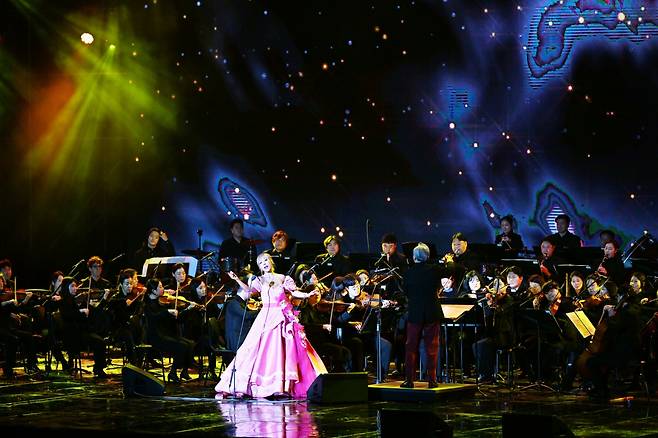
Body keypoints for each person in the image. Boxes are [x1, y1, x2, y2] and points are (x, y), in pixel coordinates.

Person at [215, 253, 327, 399]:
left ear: (271, 261)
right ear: (259, 266)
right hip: (266, 317)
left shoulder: (282, 278)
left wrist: (307, 295)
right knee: (260, 350)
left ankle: (282, 385)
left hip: (281, 315)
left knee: (282, 350)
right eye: (260, 262)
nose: (264, 263)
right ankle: (259, 384)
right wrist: (237, 279)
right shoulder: (259, 280)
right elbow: (249, 291)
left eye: (266, 260)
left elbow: (294, 292)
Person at [400, 243, 443, 388]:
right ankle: (432, 380)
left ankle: (409, 380)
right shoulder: (435, 270)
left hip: (415, 312)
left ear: (413, 257)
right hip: (432, 311)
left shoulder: (408, 272)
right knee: (432, 346)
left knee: (411, 346)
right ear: (428, 256)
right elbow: (439, 285)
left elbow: (406, 292)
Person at [143, 278, 195, 383]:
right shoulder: (147, 303)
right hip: (156, 336)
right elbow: (153, 318)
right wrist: (167, 312)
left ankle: (184, 371)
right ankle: (173, 372)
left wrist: (185, 310)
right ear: (153, 290)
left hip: (166, 333)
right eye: (161, 287)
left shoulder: (160, 302)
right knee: (182, 346)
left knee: (190, 344)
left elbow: (171, 319)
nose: (163, 289)